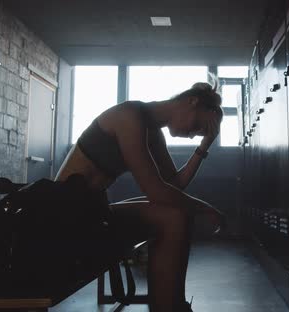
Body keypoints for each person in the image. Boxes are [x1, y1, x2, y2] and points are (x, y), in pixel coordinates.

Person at [55, 79, 226, 312]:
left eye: (200, 134)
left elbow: (174, 186)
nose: (192, 135)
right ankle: (169, 308)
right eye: (198, 126)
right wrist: (205, 208)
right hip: (65, 219)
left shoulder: (152, 131)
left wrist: (204, 146)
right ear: (192, 101)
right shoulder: (129, 116)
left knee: (174, 210)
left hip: (91, 213)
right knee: (174, 216)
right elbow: (156, 191)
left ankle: (170, 305)